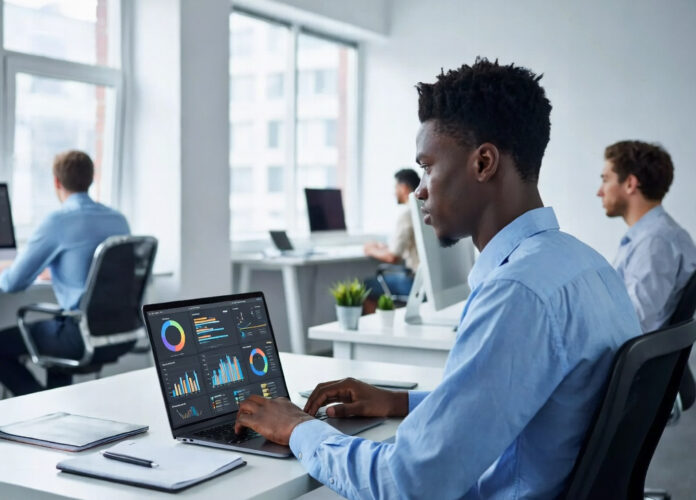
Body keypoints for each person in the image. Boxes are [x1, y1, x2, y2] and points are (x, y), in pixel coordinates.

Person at [231, 58, 642, 498]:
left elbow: (408, 484)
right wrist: (399, 402)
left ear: (483, 162)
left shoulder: (517, 294)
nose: (421, 189)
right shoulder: (589, 266)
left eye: (427, 167)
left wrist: (297, 428)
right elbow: (516, 406)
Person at [0, 150, 130, 396]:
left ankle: (40, 402)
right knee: (57, 339)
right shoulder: (119, 220)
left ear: (57, 182)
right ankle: (57, 409)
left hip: (80, 336)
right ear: (91, 178)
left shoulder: (58, 221)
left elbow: (14, 283)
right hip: (120, 335)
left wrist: (5, 271)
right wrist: (62, 269)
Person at [597, 140, 696, 333]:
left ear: (630, 184)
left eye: (606, 179)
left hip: (633, 359)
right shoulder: (654, 236)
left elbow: (632, 324)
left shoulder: (655, 241)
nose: (599, 192)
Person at [362, 169, 420, 308]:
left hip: (414, 282)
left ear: (404, 188)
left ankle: (377, 328)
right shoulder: (423, 209)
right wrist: (383, 248)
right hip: (425, 281)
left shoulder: (407, 213)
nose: (394, 192)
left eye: (396, 187)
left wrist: (370, 250)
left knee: (365, 287)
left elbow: (393, 258)